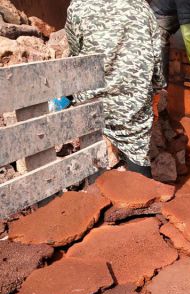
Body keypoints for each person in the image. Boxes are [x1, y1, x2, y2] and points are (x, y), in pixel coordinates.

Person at [65, 0, 165, 177]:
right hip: (134, 99)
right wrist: (156, 94)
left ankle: (98, 194)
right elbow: (157, 57)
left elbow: (75, 56)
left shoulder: (79, 6)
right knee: (137, 150)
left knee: (94, 152)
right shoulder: (141, 6)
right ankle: (142, 197)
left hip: (93, 100)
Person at [150, 0, 190, 85]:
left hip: (157, 15)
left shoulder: (187, 3)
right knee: (160, 55)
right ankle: (161, 91)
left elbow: (189, 13)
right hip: (155, 23)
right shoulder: (187, 1)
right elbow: (188, 32)